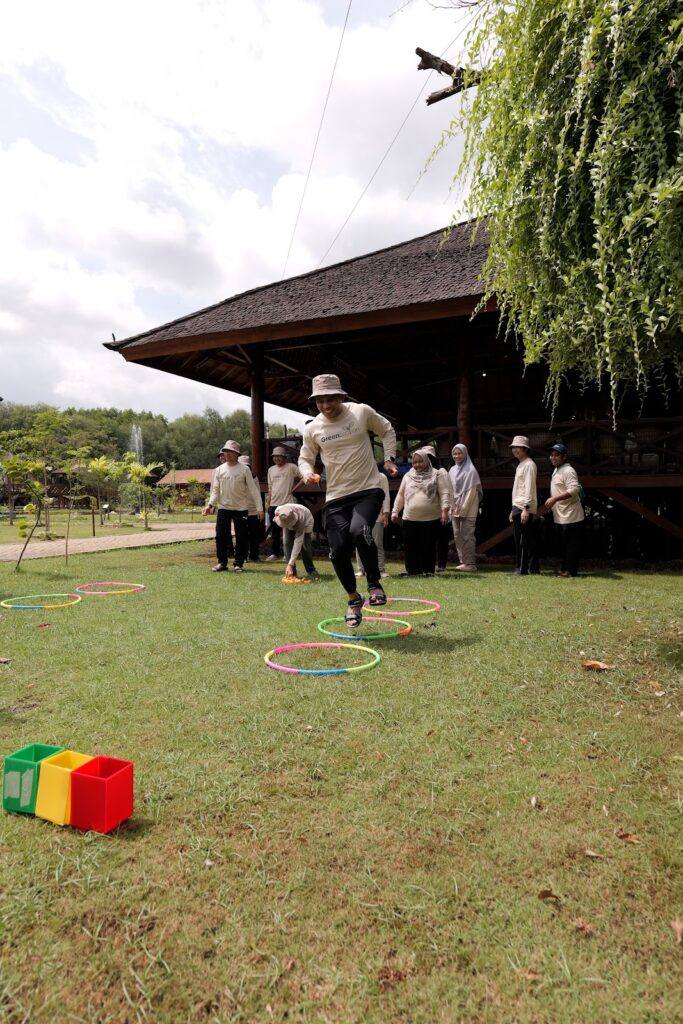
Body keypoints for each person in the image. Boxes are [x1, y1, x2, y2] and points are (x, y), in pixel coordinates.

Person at [298, 373, 397, 627]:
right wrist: (307, 472)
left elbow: (386, 429)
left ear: (341, 396)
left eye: (331, 399)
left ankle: (374, 583)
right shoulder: (313, 428)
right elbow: (305, 457)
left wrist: (389, 458)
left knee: (359, 530)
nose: (326, 405)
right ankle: (354, 598)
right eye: (321, 401)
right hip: (336, 496)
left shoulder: (360, 412)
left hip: (368, 489)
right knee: (337, 550)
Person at [204, 440, 264, 572]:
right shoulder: (219, 470)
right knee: (220, 535)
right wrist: (210, 505)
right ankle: (222, 562)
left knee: (241, 536)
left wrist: (260, 508)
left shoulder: (244, 469)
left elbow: (253, 490)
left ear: (237, 454)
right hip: (224, 507)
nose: (227, 454)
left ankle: (238, 563)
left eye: (231, 452)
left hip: (241, 508)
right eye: (225, 452)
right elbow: (215, 490)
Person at [391, 448, 450, 577]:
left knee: (428, 546)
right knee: (411, 546)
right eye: (415, 462)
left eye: (420, 462)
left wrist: (445, 510)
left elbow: (444, 493)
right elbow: (400, 495)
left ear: (426, 461)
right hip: (410, 518)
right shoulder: (408, 476)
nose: (417, 465)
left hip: (431, 518)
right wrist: (395, 511)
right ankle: (412, 571)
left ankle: (428, 570)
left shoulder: (437, 474)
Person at [540, 443, 585, 577]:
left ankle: (570, 571)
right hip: (561, 514)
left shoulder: (568, 471)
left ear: (564, 457)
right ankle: (564, 568)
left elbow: (574, 490)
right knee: (564, 544)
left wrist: (554, 499)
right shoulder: (557, 469)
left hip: (572, 515)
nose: (553, 457)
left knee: (571, 545)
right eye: (552, 455)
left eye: (557, 455)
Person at [449, 443, 483, 572]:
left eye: (459, 453)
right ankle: (463, 561)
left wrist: (462, 509)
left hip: (467, 509)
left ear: (465, 454)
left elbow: (471, 493)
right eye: (455, 453)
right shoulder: (452, 470)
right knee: (457, 535)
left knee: (467, 535)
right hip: (455, 508)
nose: (457, 456)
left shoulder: (471, 470)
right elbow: (450, 489)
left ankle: (470, 563)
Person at [508, 435, 539, 575]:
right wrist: (513, 508)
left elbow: (529, 488)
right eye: (513, 447)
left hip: (523, 506)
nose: (515, 450)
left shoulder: (529, 464)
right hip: (518, 505)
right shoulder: (521, 464)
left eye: (518, 447)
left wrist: (526, 508)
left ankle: (522, 568)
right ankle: (532, 568)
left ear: (525, 449)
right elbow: (519, 488)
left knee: (523, 539)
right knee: (523, 538)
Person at [265, 446, 302, 561]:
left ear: (284, 457)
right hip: (274, 504)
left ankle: (289, 554)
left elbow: (303, 477)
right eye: (274, 457)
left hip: (287, 504)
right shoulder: (271, 470)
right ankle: (275, 554)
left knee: (289, 530)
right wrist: (268, 503)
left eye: (279, 456)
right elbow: (270, 488)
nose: (276, 459)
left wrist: (294, 488)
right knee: (275, 531)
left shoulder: (291, 467)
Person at [421, 444, 453, 572]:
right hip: (427, 512)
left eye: (429, 457)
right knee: (428, 539)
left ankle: (441, 564)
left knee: (441, 540)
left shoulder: (441, 471)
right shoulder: (422, 473)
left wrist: (446, 511)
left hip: (441, 511)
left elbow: (447, 491)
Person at [355, 472, 390, 579]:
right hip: (360, 515)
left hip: (377, 515)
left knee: (377, 543)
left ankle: (380, 569)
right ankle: (361, 569)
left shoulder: (381, 477)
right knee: (359, 542)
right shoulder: (357, 475)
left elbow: (386, 495)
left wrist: (386, 513)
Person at [274, 503, 319, 580]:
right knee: (286, 543)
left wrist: (290, 564)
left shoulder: (301, 521)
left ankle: (311, 570)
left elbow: (298, 543)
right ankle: (292, 572)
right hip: (289, 518)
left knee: (305, 546)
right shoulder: (280, 511)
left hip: (307, 522)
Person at [238, 454, 263, 561]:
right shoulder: (236, 476)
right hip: (240, 510)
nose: (245, 469)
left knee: (254, 535)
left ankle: (254, 555)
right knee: (241, 535)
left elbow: (257, 493)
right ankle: (242, 556)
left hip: (253, 510)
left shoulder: (254, 477)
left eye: (247, 466)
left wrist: (259, 509)